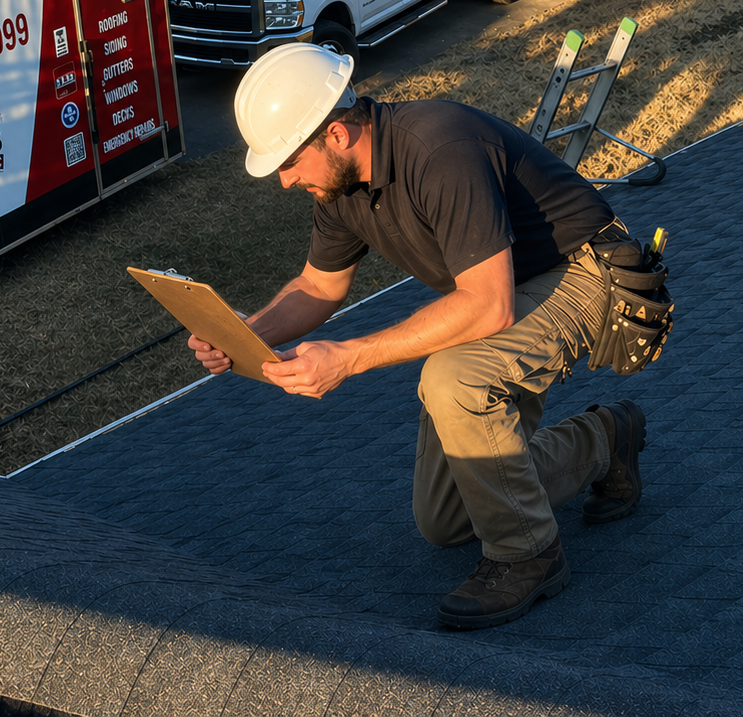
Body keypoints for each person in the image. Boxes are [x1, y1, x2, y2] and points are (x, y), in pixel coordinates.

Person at [188, 44, 648, 630]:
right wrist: (242, 334)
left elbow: (487, 304)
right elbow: (318, 287)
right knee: (447, 519)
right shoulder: (339, 187)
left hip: (589, 274)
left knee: (453, 379)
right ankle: (605, 439)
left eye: (288, 161)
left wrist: (349, 358)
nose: (284, 181)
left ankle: (529, 556)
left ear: (335, 134)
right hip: (514, 286)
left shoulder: (439, 146)